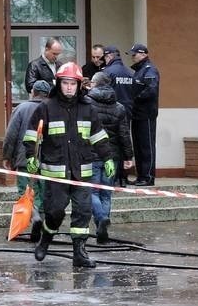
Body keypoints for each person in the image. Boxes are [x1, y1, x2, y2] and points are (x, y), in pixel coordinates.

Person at [23, 62, 114, 268]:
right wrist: (30, 157)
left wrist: (108, 157)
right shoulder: (46, 108)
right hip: (55, 173)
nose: (69, 87)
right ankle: (45, 239)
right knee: (55, 212)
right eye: (65, 83)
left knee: (83, 211)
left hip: (82, 171)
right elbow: (31, 136)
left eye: (73, 83)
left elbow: (99, 136)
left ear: (79, 84)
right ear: (59, 83)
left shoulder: (88, 108)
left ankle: (79, 253)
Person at [86, 71, 134, 243]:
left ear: (96, 84)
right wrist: (129, 156)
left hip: (91, 155)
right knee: (106, 194)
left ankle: (100, 219)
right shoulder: (119, 107)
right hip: (111, 157)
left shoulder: (87, 104)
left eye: (91, 81)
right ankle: (103, 223)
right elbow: (124, 134)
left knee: (92, 191)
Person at [2, 79, 52, 243]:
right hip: (47, 162)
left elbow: (11, 135)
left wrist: (7, 157)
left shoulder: (21, 108)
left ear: (33, 93)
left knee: (25, 194)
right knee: (44, 195)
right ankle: (43, 230)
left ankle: (35, 217)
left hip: (25, 160)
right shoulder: (52, 110)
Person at [128, 43, 160, 186]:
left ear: (143, 54)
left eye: (134, 55)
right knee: (138, 146)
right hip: (137, 114)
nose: (133, 57)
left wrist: (135, 99)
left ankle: (148, 176)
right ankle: (141, 175)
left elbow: (151, 90)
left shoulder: (149, 70)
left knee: (146, 146)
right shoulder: (139, 71)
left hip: (146, 114)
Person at [101, 45, 134, 116]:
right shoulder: (130, 72)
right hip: (127, 110)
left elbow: (102, 92)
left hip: (111, 110)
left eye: (105, 58)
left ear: (109, 56)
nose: (104, 61)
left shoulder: (107, 72)